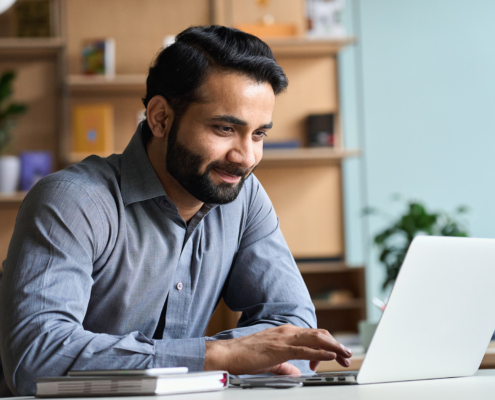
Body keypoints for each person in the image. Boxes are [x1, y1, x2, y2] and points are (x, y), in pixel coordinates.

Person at [0, 25, 352, 396]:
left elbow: (294, 329)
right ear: (160, 118)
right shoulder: (72, 201)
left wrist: (233, 356)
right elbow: (36, 359)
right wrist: (218, 355)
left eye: (259, 134)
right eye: (224, 128)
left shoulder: (244, 197)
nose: (246, 157)